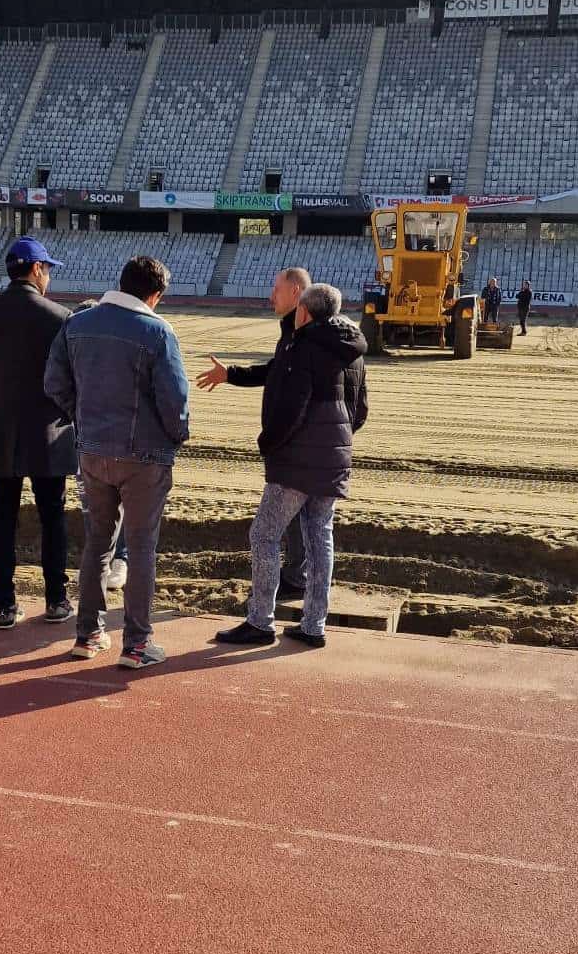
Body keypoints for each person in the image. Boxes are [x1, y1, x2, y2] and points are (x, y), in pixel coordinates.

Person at [45, 255, 190, 669]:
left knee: (98, 544)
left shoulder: (77, 324)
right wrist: (175, 436)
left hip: (92, 451)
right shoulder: (158, 332)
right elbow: (175, 401)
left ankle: (87, 633)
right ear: (155, 295)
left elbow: (53, 382)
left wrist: (83, 418)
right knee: (141, 547)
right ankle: (138, 643)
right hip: (144, 456)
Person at [215, 283, 368, 650]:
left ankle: (260, 621)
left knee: (264, 535)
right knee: (320, 538)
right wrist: (338, 439)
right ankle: (314, 625)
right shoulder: (354, 350)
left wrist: (268, 442)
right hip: (334, 456)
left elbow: (292, 406)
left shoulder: (303, 345)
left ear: (303, 312)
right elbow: (359, 410)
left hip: (297, 459)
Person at [0, 236, 77, 628]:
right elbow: (69, 381)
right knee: (52, 518)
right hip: (49, 433)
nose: (47, 276)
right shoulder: (60, 317)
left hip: (0, 434)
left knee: (3, 518)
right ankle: (57, 600)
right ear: (36, 269)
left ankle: (4, 604)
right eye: (46, 269)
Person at [195, 266, 311, 602]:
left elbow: (293, 391)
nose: (271, 295)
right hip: (300, 445)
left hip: (294, 447)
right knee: (304, 519)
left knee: (268, 529)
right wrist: (229, 373)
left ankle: (276, 598)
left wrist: (272, 439)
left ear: (296, 293)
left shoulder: (302, 336)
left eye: (276, 289)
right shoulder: (293, 332)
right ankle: (297, 576)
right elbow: (274, 373)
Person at [72, 300, 128, 590]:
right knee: (89, 504)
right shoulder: (70, 355)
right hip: (82, 443)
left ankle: (120, 558)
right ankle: (98, 558)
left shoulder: (112, 358)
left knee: (118, 503)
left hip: (114, 445)